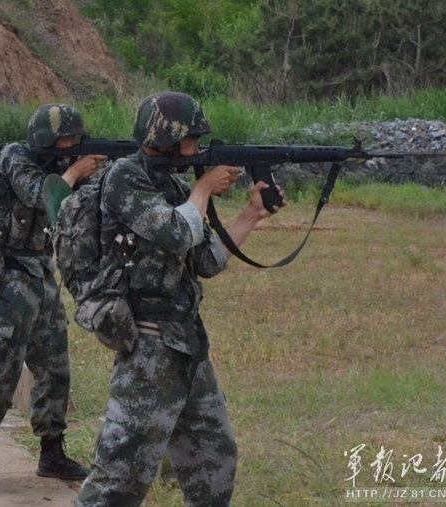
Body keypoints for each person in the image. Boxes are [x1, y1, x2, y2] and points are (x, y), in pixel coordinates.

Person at [74, 92, 285, 507]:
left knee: (214, 460)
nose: (197, 149)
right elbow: (175, 232)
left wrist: (251, 214)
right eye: (191, 140)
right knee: (119, 480)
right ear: (166, 138)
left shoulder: (171, 184)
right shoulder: (125, 177)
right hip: (149, 348)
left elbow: (205, 259)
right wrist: (204, 187)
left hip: (187, 344)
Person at [0, 104, 104, 497]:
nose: (72, 145)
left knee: (55, 369)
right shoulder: (15, 158)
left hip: (40, 273)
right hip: (9, 277)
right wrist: (75, 171)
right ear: (46, 140)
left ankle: (52, 451)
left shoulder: (58, 161)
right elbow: (41, 194)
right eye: (67, 139)